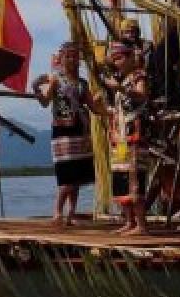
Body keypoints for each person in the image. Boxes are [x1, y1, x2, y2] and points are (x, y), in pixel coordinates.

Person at [31, 41, 108, 227]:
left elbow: (93, 107)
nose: (71, 60)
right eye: (68, 56)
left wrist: (104, 102)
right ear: (62, 59)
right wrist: (36, 88)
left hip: (80, 130)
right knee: (67, 175)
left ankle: (71, 214)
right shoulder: (56, 80)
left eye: (74, 56)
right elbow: (44, 102)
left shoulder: (82, 83)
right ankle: (57, 212)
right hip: (62, 131)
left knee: (78, 174)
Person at [100, 41, 151, 235]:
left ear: (130, 57)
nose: (117, 62)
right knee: (121, 177)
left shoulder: (139, 75)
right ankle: (129, 222)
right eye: (114, 59)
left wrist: (120, 88)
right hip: (120, 136)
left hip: (134, 136)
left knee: (134, 177)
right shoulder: (120, 78)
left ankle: (141, 225)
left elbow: (141, 95)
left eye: (120, 58)